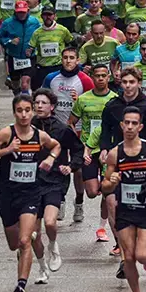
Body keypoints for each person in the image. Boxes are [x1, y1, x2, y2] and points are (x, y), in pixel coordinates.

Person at [0, 95, 61, 292]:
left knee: (24, 242)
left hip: (31, 193)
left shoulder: (39, 135)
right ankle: (24, 247)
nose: (24, 115)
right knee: (13, 244)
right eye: (19, 110)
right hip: (7, 193)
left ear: (32, 111)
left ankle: (21, 285)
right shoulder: (7, 133)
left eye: (27, 110)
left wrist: (50, 158)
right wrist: (6, 150)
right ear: (14, 112)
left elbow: (55, 145)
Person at [100, 68, 146, 278]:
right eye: (124, 82)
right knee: (113, 206)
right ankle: (124, 258)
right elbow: (105, 132)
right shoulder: (112, 106)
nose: (128, 86)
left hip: (144, 169)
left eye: (132, 82)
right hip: (119, 165)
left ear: (139, 82)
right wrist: (103, 149)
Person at [101, 106, 146, 292]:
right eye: (127, 123)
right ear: (121, 125)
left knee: (141, 255)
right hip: (124, 210)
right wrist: (112, 181)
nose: (130, 127)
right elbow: (105, 186)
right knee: (129, 258)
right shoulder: (114, 154)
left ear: (140, 127)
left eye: (134, 123)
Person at [31, 89, 84, 277]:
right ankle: (42, 268)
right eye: (36, 103)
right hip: (31, 183)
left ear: (52, 107)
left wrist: (70, 166)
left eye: (43, 103)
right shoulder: (27, 128)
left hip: (54, 181)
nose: (39, 106)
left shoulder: (61, 129)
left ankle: (53, 246)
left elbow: (78, 150)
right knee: (33, 234)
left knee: (50, 222)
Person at [42, 46, 95, 221]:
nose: (68, 61)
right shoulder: (51, 78)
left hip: (78, 130)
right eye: (65, 57)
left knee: (77, 170)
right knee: (59, 166)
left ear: (78, 60)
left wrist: (77, 100)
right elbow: (42, 98)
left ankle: (79, 202)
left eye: (72, 57)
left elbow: (92, 103)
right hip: (57, 130)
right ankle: (60, 200)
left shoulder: (84, 80)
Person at [70, 63, 119, 242]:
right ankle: (97, 183)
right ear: (92, 77)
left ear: (108, 77)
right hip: (88, 149)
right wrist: (76, 145)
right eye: (96, 76)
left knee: (107, 192)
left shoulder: (115, 99)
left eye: (103, 75)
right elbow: (71, 122)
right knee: (91, 192)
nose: (100, 78)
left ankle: (101, 227)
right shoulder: (83, 99)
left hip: (108, 150)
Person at [0, 1, 41, 96]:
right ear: (15, 11)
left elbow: (41, 35)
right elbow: (0, 37)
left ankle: (25, 102)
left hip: (29, 56)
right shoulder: (7, 23)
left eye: (23, 12)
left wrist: (34, 47)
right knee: (15, 83)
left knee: (25, 83)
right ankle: (18, 98)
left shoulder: (34, 22)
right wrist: (10, 41)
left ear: (28, 11)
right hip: (14, 57)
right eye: (19, 12)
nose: (21, 15)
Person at [27, 7, 74, 89]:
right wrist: (28, 52)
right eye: (45, 14)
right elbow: (31, 47)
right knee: (38, 91)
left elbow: (71, 42)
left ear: (54, 16)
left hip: (58, 66)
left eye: (50, 14)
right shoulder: (37, 32)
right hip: (42, 67)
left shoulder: (62, 30)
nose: (47, 17)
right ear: (41, 16)